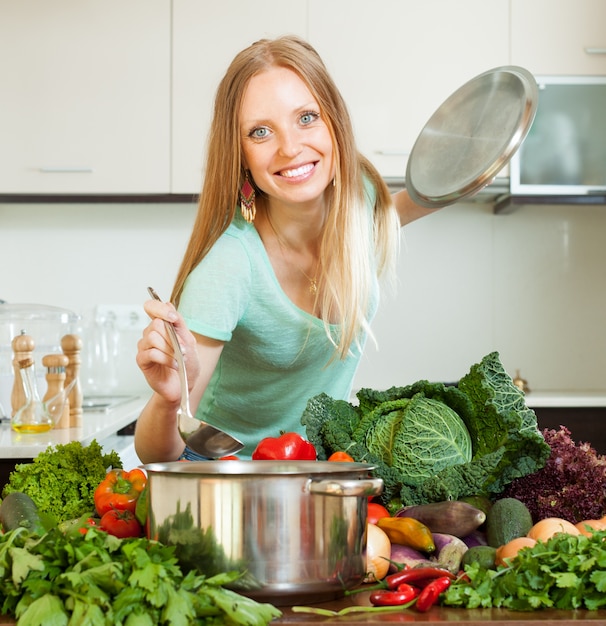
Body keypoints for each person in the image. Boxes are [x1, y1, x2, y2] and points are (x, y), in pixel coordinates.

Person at [134, 35, 438, 463]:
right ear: (240, 154)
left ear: (334, 122)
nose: (290, 148)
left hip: (314, 468)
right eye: (260, 132)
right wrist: (168, 402)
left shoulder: (358, 199)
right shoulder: (229, 267)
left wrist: (453, 175)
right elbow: (159, 454)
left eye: (307, 117)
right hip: (225, 476)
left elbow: (387, 216)